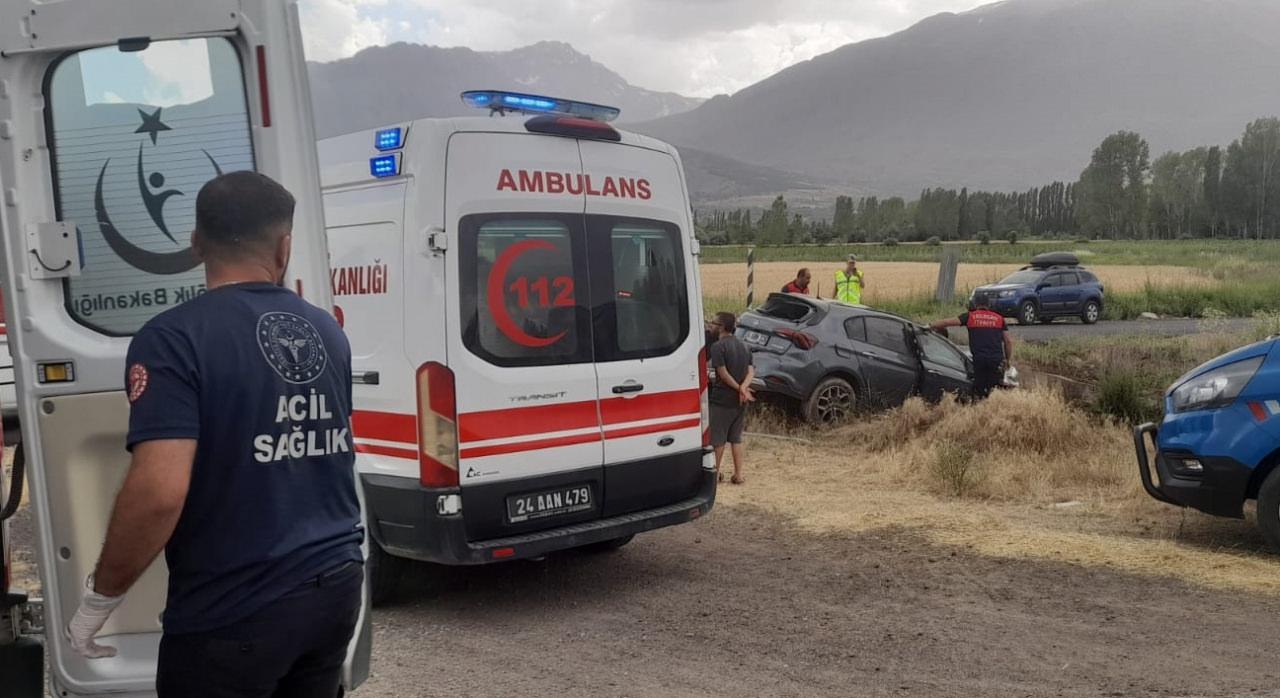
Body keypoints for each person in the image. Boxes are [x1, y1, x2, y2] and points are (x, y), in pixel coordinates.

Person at [65, 172, 364, 697]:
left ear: (196, 243)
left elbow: (159, 492)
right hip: (335, 587)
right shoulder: (326, 330)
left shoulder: (173, 338)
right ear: (285, 246)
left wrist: (100, 600)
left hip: (236, 609)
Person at [930, 297, 1015, 400]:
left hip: (979, 360)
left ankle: (978, 404)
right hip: (996, 360)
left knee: (979, 390)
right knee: (994, 391)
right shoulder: (999, 319)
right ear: (989, 305)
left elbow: (946, 322)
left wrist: (929, 326)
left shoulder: (970, 316)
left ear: (975, 305)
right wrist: (1007, 359)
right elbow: (1008, 341)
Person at [708, 311, 754, 485]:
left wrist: (738, 388)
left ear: (721, 327)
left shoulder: (718, 347)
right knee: (736, 438)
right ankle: (738, 474)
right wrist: (744, 388)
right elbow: (751, 371)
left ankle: (715, 474)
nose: (711, 326)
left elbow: (723, 373)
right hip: (740, 401)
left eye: (713, 323)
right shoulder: (744, 346)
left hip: (722, 399)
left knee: (718, 439)